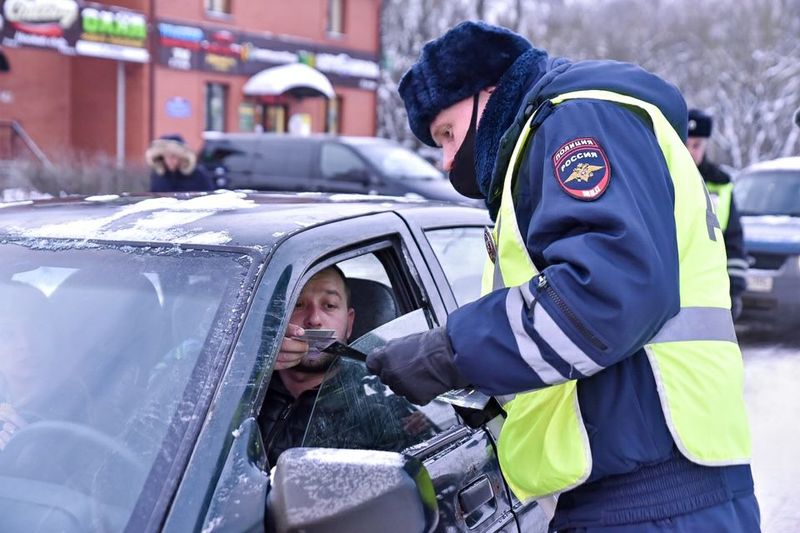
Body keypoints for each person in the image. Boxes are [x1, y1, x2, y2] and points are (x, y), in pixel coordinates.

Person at [366, 21, 759, 532]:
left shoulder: (577, 120)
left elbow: (604, 297)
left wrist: (448, 352)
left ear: (488, 92)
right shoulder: (559, 132)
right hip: (641, 488)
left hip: (652, 499)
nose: (446, 162)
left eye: (446, 133)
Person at [259, 266, 434, 467]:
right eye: (298, 304)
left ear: (349, 323)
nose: (314, 320)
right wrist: (258, 363)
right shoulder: (238, 385)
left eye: (330, 305)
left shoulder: (381, 407)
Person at [686, 109, 748, 320]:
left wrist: (735, 288)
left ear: (705, 146)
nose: (690, 151)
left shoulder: (721, 184)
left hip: (710, 288)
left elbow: (733, 238)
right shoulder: (660, 178)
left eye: (696, 145)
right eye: (685, 144)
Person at [146, 134, 214, 193]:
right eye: (166, 156)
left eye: (173, 156)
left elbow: (208, 198)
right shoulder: (158, 176)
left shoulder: (198, 174)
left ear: (182, 157)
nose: (169, 160)